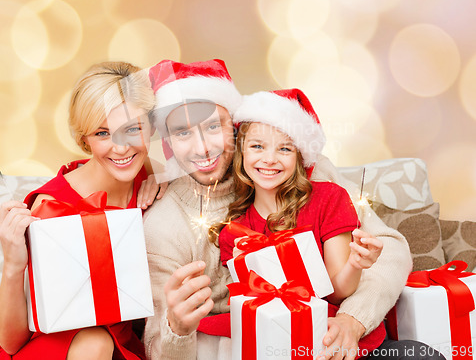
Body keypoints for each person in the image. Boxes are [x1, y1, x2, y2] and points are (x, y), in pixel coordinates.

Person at [142, 59, 441, 360]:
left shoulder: (303, 172)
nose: (203, 147)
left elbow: (390, 249)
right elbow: (156, 347)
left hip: (337, 338)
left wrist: (354, 320)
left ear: (234, 127)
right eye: (182, 133)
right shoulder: (163, 225)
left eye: (212, 126)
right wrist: (177, 329)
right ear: (168, 141)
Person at [0, 61, 160, 360]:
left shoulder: (147, 172)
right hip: (48, 348)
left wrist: (164, 184)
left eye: (132, 129)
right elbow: (12, 343)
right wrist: (12, 265)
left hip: (119, 344)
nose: (122, 148)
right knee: (94, 341)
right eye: (102, 133)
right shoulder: (52, 207)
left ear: (150, 126)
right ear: (83, 139)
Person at [214, 88, 385, 354]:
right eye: (257, 146)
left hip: (334, 337)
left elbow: (338, 290)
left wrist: (355, 264)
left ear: (299, 157)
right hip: (281, 346)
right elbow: (257, 314)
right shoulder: (234, 233)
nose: (270, 159)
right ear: (241, 153)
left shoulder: (329, 199)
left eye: (284, 148)